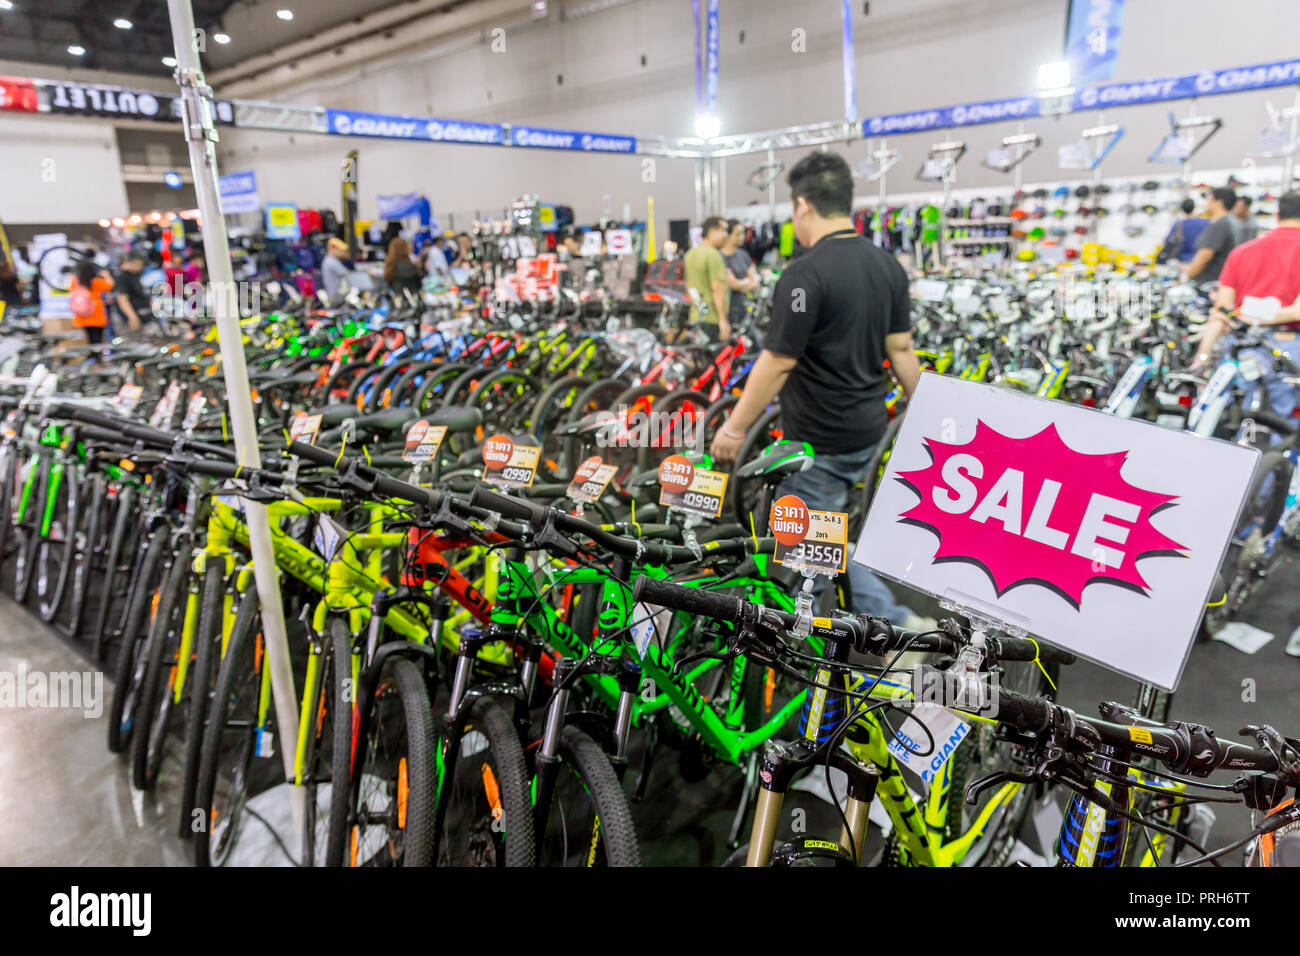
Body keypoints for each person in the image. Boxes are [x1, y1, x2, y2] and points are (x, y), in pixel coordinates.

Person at [709, 151, 928, 627]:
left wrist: (733, 428)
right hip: (868, 430)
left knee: (808, 546)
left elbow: (779, 360)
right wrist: (930, 412)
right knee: (821, 529)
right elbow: (903, 351)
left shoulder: (803, 275)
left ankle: (895, 625)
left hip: (820, 438)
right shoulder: (887, 267)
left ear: (803, 205)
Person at [1191, 191, 1300, 416]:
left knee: (1236, 418)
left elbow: (1221, 311)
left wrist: (1202, 356)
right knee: (1287, 426)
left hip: (1242, 344)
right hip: (1289, 346)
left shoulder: (1242, 252)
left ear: (1277, 215)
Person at [683, 216, 730, 342]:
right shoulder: (713, 255)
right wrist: (723, 321)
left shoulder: (690, 254)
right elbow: (717, 289)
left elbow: (687, 285)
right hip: (712, 319)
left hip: (694, 317)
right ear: (711, 231)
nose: (726, 235)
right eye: (723, 230)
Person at [1184, 187, 1237, 285]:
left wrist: (1184, 278)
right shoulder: (1229, 222)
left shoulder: (1219, 225)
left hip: (1208, 285)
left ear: (1219, 203)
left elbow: (1204, 256)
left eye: (1209, 200)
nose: (1206, 203)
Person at [720, 219, 759, 333]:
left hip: (745, 308)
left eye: (742, 233)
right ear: (728, 235)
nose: (742, 237)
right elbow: (732, 284)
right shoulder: (720, 257)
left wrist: (740, 283)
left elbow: (755, 282)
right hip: (729, 310)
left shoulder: (744, 255)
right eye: (738, 234)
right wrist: (747, 281)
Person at [69, 259, 114, 344]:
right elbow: (110, 286)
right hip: (96, 315)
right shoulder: (97, 282)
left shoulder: (74, 281)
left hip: (81, 316)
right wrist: (107, 276)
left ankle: (90, 356)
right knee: (97, 341)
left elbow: (71, 291)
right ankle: (96, 357)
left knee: (87, 341)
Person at [114, 251, 155, 333]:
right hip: (133, 319)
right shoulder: (123, 277)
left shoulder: (135, 275)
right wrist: (132, 317)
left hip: (145, 318)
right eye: (140, 264)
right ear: (134, 262)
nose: (141, 267)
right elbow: (122, 299)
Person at [1156, 199, 1208, 264]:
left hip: (1183, 261)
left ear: (1182, 209)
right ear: (1194, 208)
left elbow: (1167, 241)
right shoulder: (1205, 222)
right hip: (1202, 259)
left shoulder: (1178, 224)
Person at [383, 236, 423, 302]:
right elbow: (419, 285)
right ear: (405, 248)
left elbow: (389, 283)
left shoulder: (390, 267)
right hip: (412, 300)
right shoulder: (411, 266)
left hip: (398, 300)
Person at [321, 237, 351, 303]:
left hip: (335, 295)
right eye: (341, 250)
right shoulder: (331, 262)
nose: (343, 253)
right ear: (333, 248)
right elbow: (347, 273)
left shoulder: (330, 260)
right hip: (336, 296)